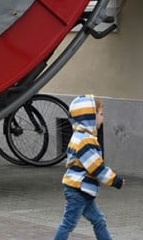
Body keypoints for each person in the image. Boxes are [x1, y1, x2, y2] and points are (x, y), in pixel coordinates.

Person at [53, 94, 124, 240]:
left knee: (99, 220)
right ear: (89, 117)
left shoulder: (82, 136)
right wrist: (115, 180)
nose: (102, 118)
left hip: (83, 190)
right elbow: (96, 167)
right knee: (68, 224)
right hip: (78, 190)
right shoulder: (85, 141)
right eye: (100, 114)